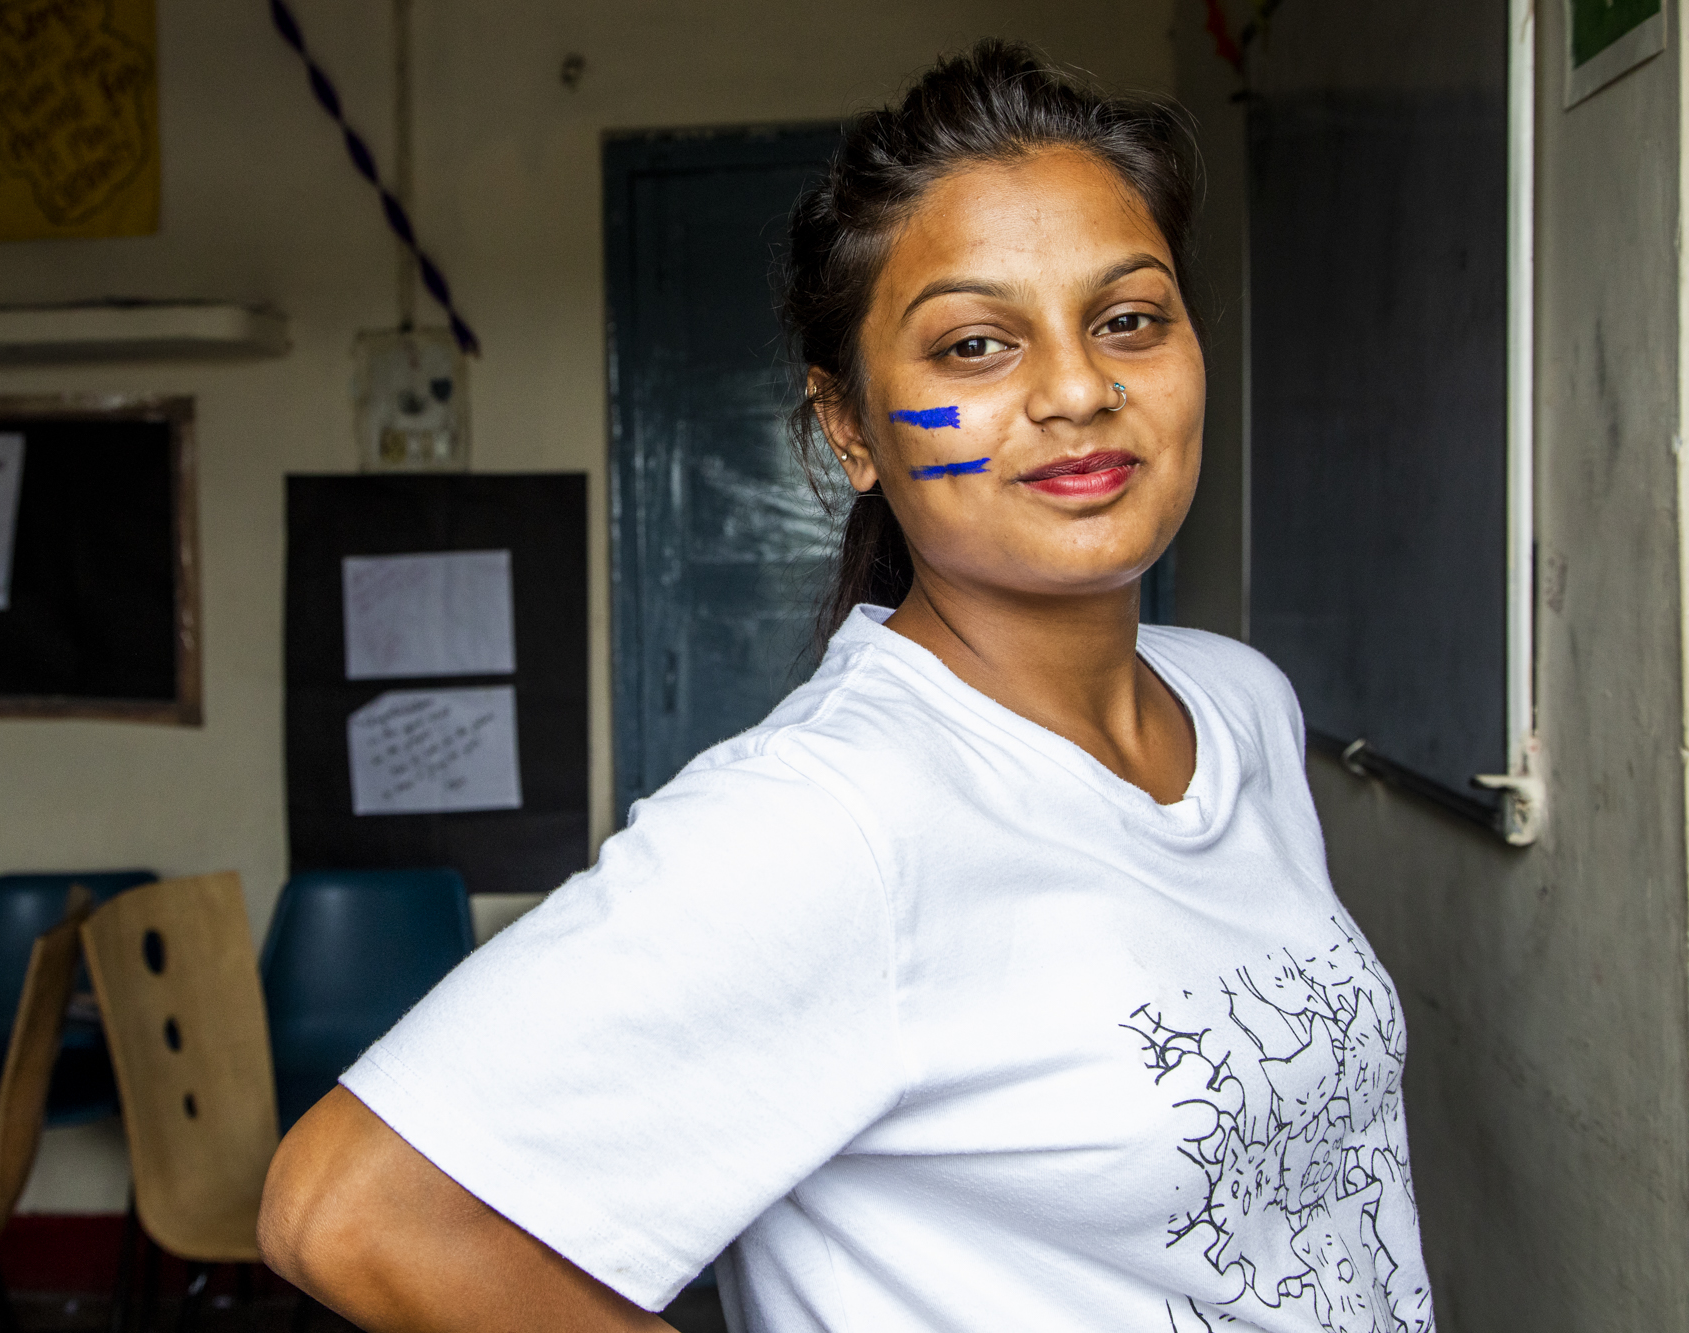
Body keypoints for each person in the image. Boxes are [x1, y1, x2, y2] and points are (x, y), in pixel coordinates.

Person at [258, 40, 1433, 1333]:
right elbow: (357, 1209)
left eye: (1130, 319)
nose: (1079, 389)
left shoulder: (1240, 703)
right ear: (851, 427)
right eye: (977, 345)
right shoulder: (835, 821)